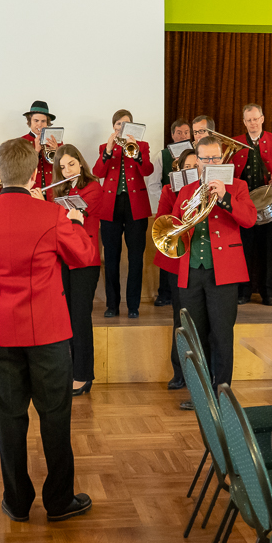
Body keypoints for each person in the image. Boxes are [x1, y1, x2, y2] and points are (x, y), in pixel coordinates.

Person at [0, 138, 95, 523]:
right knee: (55, 416)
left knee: (9, 417)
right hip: (47, 331)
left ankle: (17, 502)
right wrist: (77, 222)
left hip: (0, 330)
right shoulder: (52, 214)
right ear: (36, 174)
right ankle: (59, 501)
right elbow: (84, 256)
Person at [174, 135, 257, 410]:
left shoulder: (238, 186)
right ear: (196, 161)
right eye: (205, 158)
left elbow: (250, 219)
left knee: (221, 335)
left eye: (215, 158)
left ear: (222, 159)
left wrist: (225, 198)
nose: (210, 163)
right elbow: (175, 224)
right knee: (195, 337)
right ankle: (200, 394)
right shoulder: (186, 190)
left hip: (224, 272)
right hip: (191, 271)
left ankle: (221, 394)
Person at [34, 145, 103, 396]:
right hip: (62, 259)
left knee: (80, 318)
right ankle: (68, 371)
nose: (68, 171)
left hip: (84, 261)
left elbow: (73, 218)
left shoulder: (93, 187)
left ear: (80, 163)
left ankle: (83, 375)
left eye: (71, 164)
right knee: (64, 318)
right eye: (62, 168)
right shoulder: (60, 190)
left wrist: (44, 206)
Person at [92, 109, 154, 318]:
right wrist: (108, 150)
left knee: (136, 258)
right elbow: (97, 172)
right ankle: (112, 305)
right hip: (110, 206)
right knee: (111, 258)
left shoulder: (142, 146)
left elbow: (147, 170)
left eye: (126, 124)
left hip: (136, 206)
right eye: (119, 123)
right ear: (114, 127)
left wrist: (136, 153)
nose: (122, 127)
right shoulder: (105, 147)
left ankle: (133, 306)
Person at [231, 103, 272, 306]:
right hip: (244, 205)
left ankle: (268, 293)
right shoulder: (236, 143)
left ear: (262, 119)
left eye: (256, 119)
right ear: (244, 122)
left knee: (267, 250)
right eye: (249, 120)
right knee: (244, 250)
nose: (253, 123)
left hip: (267, 203)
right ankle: (244, 292)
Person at [154, 148, 197, 390]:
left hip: (200, 260)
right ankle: (179, 370)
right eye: (187, 167)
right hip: (178, 260)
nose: (192, 171)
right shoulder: (169, 190)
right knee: (180, 318)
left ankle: (201, 373)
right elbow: (161, 222)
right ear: (179, 170)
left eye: (196, 167)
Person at [150, 118, 192, 307]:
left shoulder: (197, 155)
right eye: (179, 133)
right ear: (172, 135)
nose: (183, 136)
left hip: (191, 211)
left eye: (186, 133)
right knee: (169, 249)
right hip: (172, 209)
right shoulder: (162, 155)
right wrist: (167, 199)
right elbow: (153, 184)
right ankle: (164, 293)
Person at [20, 100, 60, 190]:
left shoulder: (56, 141)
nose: (40, 124)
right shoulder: (22, 142)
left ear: (47, 123)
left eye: (43, 121)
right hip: (31, 189)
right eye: (36, 121)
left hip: (52, 188)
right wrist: (36, 151)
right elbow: (20, 169)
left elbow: (63, 167)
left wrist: (57, 151)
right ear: (30, 121)